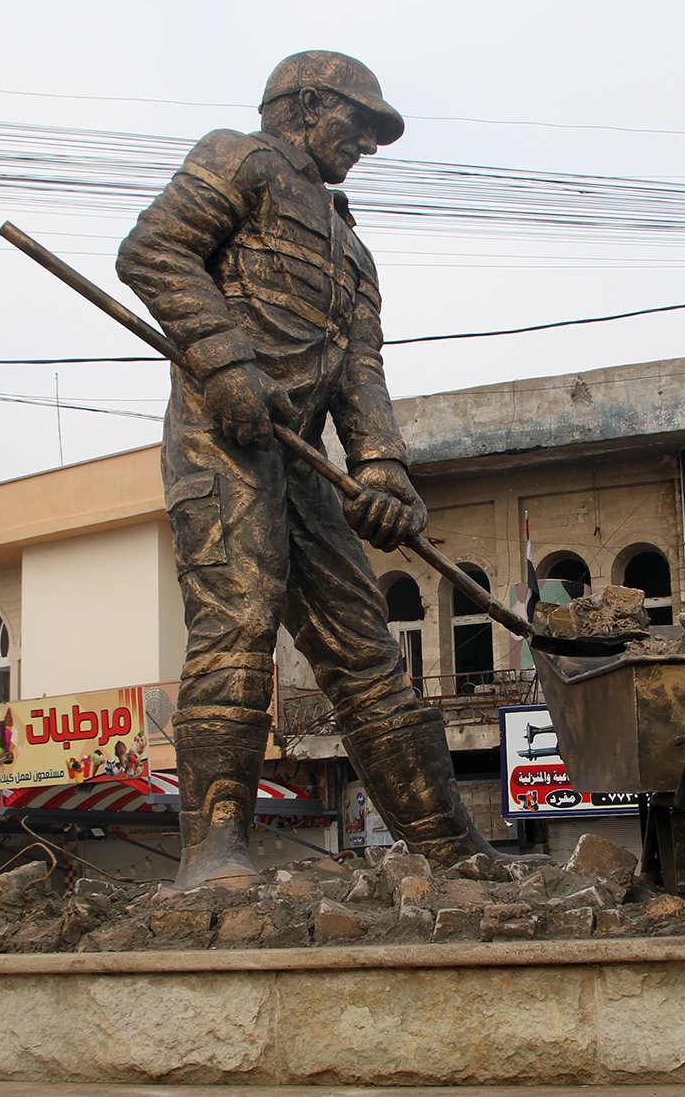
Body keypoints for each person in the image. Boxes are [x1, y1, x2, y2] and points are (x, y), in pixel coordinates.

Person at [118, 51, 531, 888]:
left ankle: (447, 846)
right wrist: (226, 361)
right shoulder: (239, 157)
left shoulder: (354, 251)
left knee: (366, 647)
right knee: (238, 622)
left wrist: (382, 468)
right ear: (307, 104)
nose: (367, 145)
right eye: (359, 123)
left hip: (303, 459)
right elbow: (154, 250)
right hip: (223, 439)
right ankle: (214, 850)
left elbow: (360, 370)